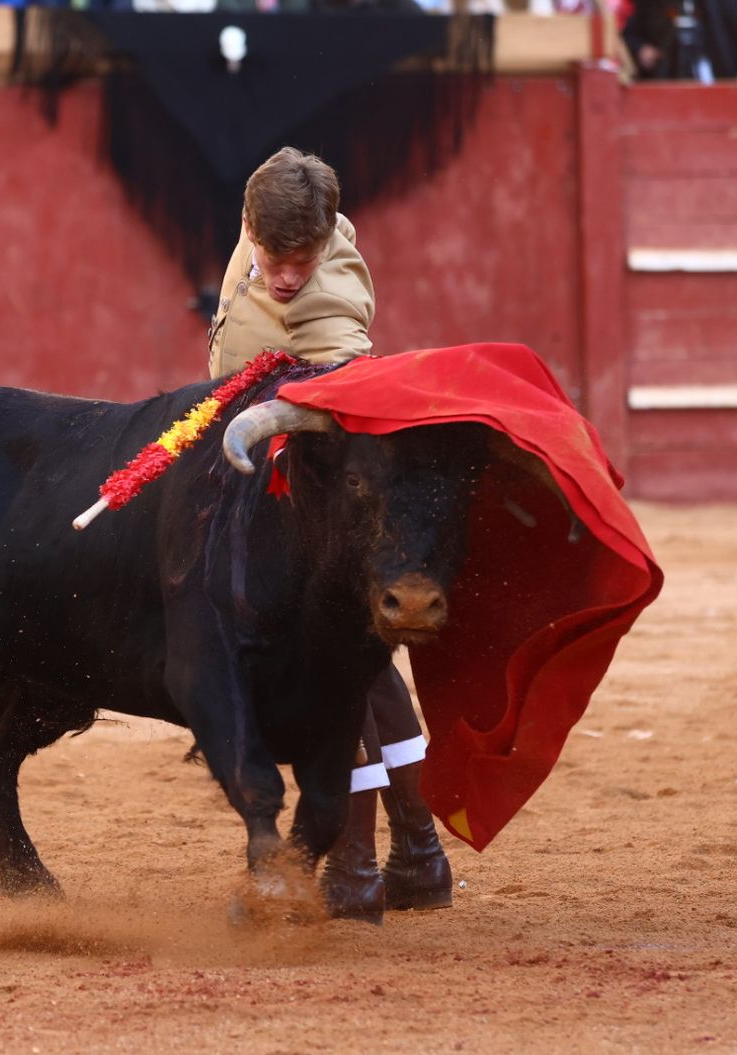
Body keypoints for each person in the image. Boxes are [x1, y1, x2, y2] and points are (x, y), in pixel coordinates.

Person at [208, 147, 453, 921]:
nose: (285, 275)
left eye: (301, 260)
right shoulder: (262, 236)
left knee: (332, 679)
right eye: (274, 257)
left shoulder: (333, 302)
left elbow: (343, 393)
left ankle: (355, 872)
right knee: (370, 680)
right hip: (293, 498)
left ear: (325, 242)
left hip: (316, 508)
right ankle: (418, 856)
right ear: (250, 227)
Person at [623, 0, 737, 97]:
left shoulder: (729, 3)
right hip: (666, 88)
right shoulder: (652, 3)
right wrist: (641, 49)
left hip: (720, 89)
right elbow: (629, 35)